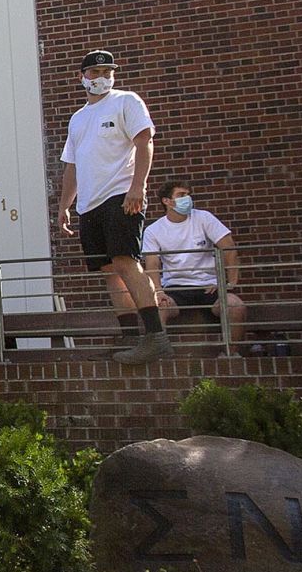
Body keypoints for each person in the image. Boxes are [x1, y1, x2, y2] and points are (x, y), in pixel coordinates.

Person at [57, 50, 168, 364]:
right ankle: (130, 339)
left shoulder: (126, 101)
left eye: (107, 71)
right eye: (94, 72)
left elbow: (144, 140)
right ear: (82, 77)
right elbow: (72, 167)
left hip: (120, 195)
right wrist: (65, 205)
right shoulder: (78, 119)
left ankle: (155, 336)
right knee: (109, 271)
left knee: (125, 262)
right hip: (89, 206)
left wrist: (138, 186)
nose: (101, 77)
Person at [142, 182, 247, 350]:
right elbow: (152, 264)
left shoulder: (203, 218)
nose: (187, 199)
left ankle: (232, 356)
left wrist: (229, 283)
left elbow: (229, 248)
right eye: (181, 195)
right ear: (166, 201)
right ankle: (160, 358)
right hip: (175, 289)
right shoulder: (153, 230)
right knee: (156, 310)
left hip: (209, 287)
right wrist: (159, 291)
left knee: (236, 306)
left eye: (188, 194)